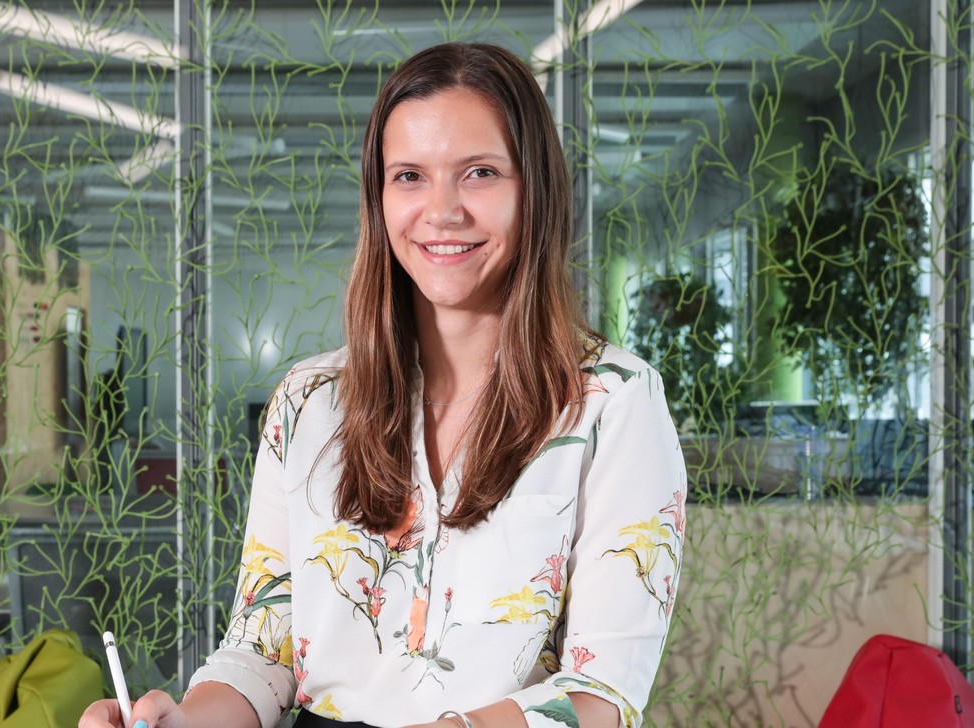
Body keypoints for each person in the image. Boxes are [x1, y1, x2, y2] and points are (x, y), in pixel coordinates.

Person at [81, 41, 686, 728]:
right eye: (409, 177)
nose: (442, 210)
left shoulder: (614, 402)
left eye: (480, 173)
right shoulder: (307, 402)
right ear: (378, 198)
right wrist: (183, 720)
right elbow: (263, 651)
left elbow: (603, 696)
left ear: (535, 190)